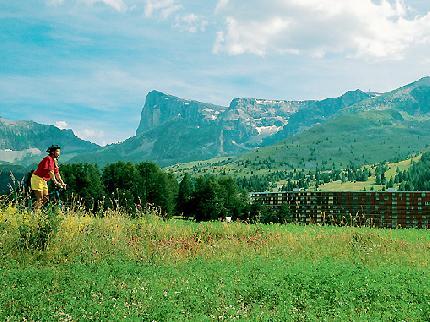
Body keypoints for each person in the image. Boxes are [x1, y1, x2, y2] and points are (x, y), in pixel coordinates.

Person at [31, 145, 67, 209]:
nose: (59, 153)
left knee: (46, 198)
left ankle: (34, 208)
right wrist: (55, 182)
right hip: (37, 178)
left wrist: (62, 183)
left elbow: (57, 173)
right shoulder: (48, 159)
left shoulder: (55, 161)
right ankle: (35, 213)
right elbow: (51, 172)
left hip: (44, 180)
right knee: (40, 198)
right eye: (58, 151)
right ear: (53, 152)